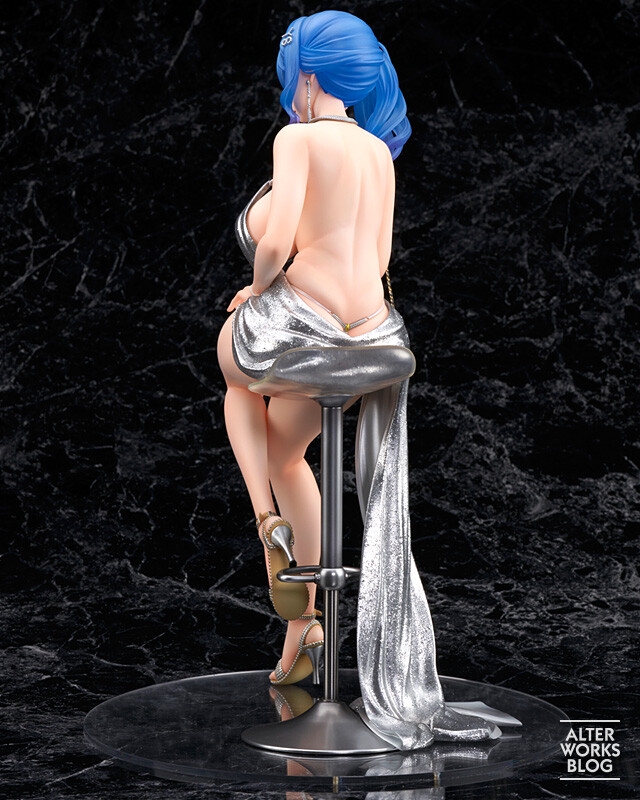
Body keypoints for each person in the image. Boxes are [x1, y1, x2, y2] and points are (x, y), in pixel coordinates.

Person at [217, 10, 503, 750]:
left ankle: (266, 522)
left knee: (235, 375)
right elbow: (379, 258)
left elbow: (278, 239)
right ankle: (306, 627)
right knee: (289, 451)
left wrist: (258, 288)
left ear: (308, 76)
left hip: (305, 326)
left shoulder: (297, 140)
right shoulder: (378, 152)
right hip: (375, 340)